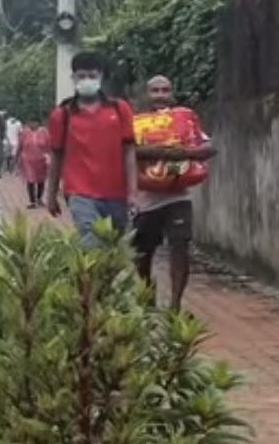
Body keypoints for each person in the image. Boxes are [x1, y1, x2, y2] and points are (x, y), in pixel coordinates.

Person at [132, 74, 218, 309]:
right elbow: (126, 151)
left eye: (165, 90)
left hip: (178, 197)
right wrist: (161, 151)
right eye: (155, 91)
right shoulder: (135, 122)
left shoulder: (185, 120)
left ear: (172, 93)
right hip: (145, 201)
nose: (160, 95)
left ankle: (175, 305)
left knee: (180, 248)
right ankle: (147, 298)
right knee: (142, 254)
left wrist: (184, 153)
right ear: (146, 95)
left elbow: (209, 148)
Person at [45, 51, 137, 243]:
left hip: (116, 193)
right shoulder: (62, 115)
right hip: (80, 193)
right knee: (91, 241)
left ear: (101, 76)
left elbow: (129, 152)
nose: (87, 80)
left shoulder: (120, 109)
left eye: (92, 76)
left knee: (115, 247)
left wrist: (133, 192)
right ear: (73, 77)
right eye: (82, 76)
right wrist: (51, 195)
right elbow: (56, 156)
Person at [18, 118, 51, 208]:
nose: (32, 124)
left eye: (34, 122)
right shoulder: (25, 132)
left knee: (41, 180)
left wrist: (49, 157)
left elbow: (49, 145)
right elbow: (20, 145)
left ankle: (39, 198)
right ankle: (32, 201)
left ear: (38, 123)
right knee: (30, 180)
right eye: (31, 122)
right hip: (28, 160)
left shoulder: (44, 132)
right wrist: (17, 157)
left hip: (41, 160)